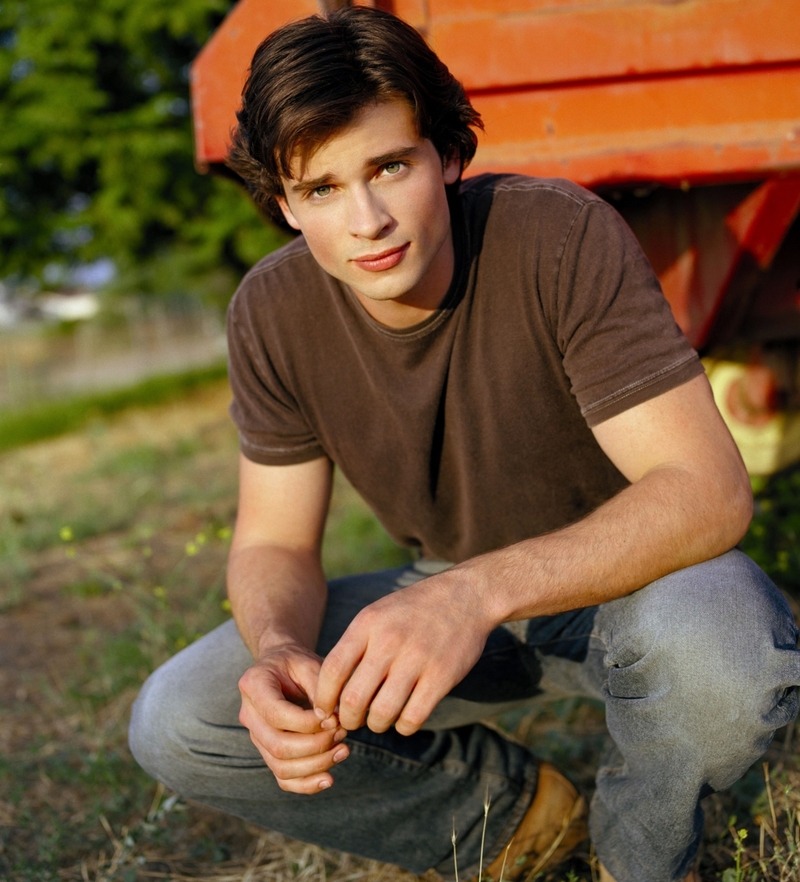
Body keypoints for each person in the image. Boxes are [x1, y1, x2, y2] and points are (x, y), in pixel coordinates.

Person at [128, 7, 800, 882]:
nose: (365, 218)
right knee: (182, 718)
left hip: (636, 585)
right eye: (322, 189)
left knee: (725, 653)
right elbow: (272, 541)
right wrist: (283, 653)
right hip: (448, 602)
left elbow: (708, 491)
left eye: (389, 167)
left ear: (446, 156)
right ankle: (519, 825)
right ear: (286, 205)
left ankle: (634, 861)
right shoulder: (269, 312)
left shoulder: (556, 235)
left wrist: (473, 593)